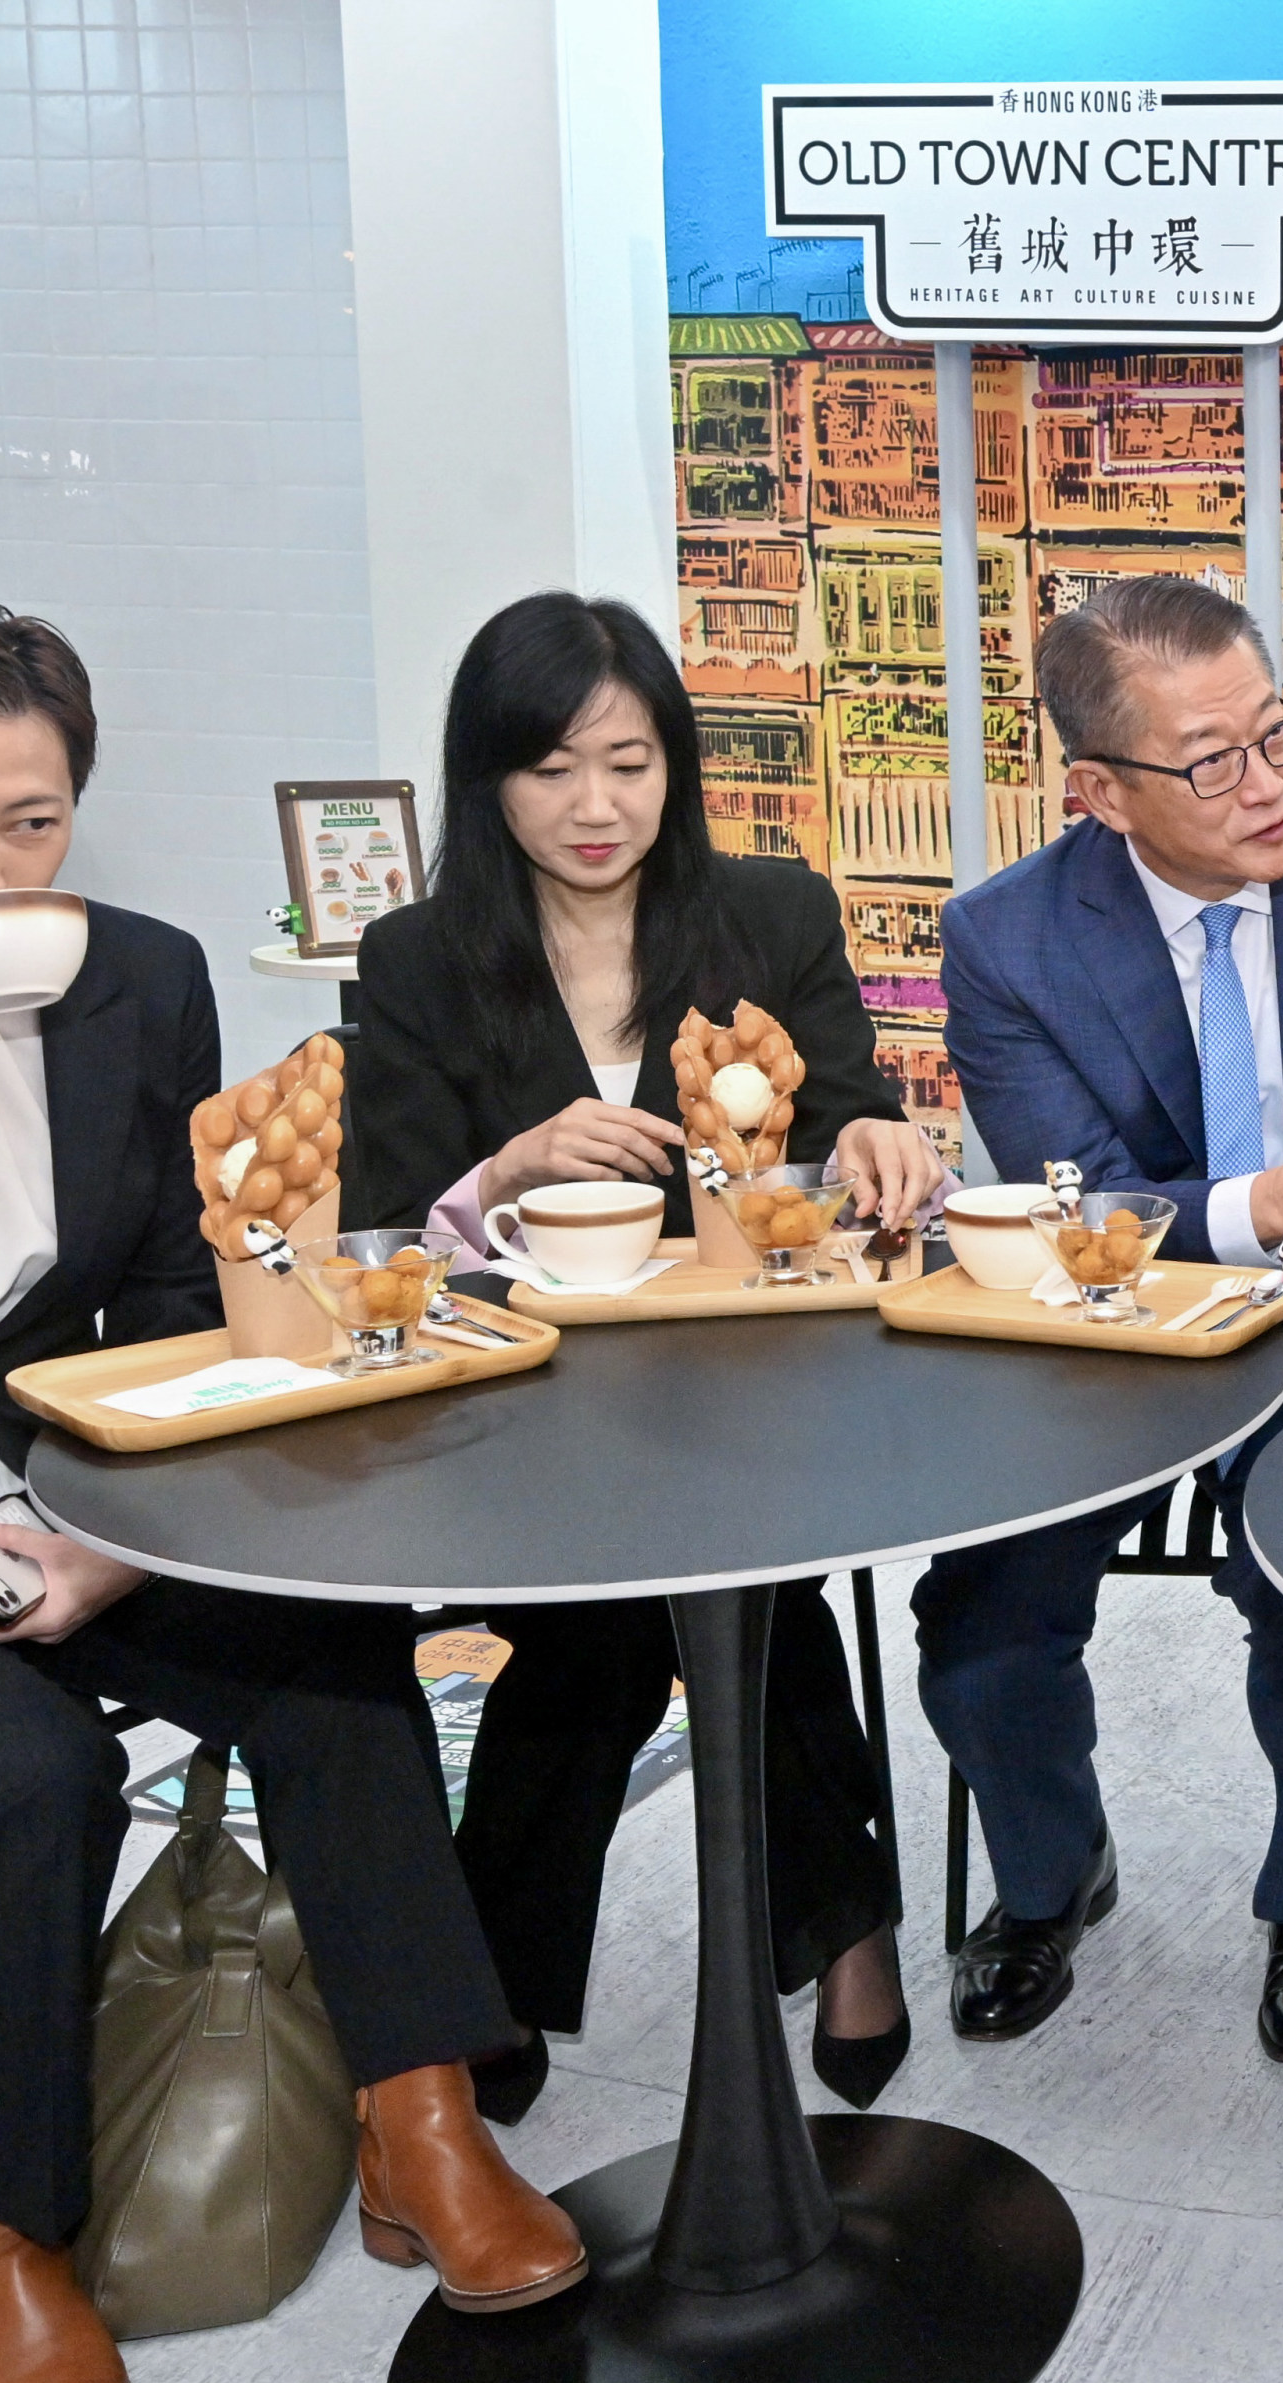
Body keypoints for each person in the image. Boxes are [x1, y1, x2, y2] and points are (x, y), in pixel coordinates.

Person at [0, 599, 581, 2383]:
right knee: (13, 1769)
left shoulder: (139, 974)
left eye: (30, 824)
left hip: (50, 1477)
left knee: (336, 1637)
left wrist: (120, 1525)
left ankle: (418, 2115)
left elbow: (149, 1304)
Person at [343, 593, 942, 2118]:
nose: (595, 806)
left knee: (709, 1580)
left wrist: (878, 1139)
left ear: (674, 764)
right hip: (519, 1403)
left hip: (746, 1382)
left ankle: (491, 1976)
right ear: (487, 782)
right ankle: (845, 1921)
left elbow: (845, 1122)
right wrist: (507, 1168)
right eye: (551, 769)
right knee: (671, 1607)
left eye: (627, 762)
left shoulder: (770, 915)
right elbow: (369, 1236)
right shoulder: (420, 958)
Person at [916, 575, 1283, 2060]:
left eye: (1277, 733)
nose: (1267, 786)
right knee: (980, 1609)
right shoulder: (1004, 940)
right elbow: (1091, 1208)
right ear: (1098, 792)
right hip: (1102, 1326)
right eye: (1212, 763)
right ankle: (1051, 1874)